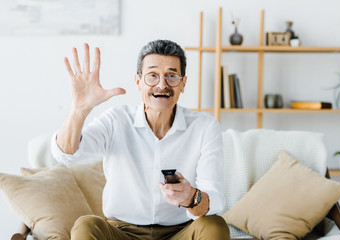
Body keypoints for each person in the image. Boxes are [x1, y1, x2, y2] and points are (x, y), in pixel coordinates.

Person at [51, 39, 230, 240]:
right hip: (122, 232)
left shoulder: (204, 126)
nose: (162, 85)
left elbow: (215, 199)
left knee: (214, 225)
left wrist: (191, 198)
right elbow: (67, 155)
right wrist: (79, 110)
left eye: (171, 76)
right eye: (152, 75)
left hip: (180, 232)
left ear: (183, 83)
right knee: (86, 225)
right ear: (138, 82)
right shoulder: (116, 120)